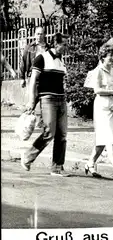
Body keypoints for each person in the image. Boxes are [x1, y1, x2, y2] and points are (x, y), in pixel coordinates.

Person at [20, 33, 71, 176]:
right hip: (47, 99)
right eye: (64, 44)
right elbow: (33, 81)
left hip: (61, 100)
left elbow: (62, 82)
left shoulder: (61, 61)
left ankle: (57, 167)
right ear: (56, 44)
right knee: (49, 133)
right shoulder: (42, 58)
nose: (66, 47)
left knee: (62, 135)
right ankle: (27, 157)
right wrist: (31, 101)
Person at [84, 44, 113, 181]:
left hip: (112, 106)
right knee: (109, 139)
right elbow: (97, 90)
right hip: (102, 106)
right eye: (111, 56)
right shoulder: (99, 71)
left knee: (103, 140)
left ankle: (90, 163)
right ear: (103, 57)